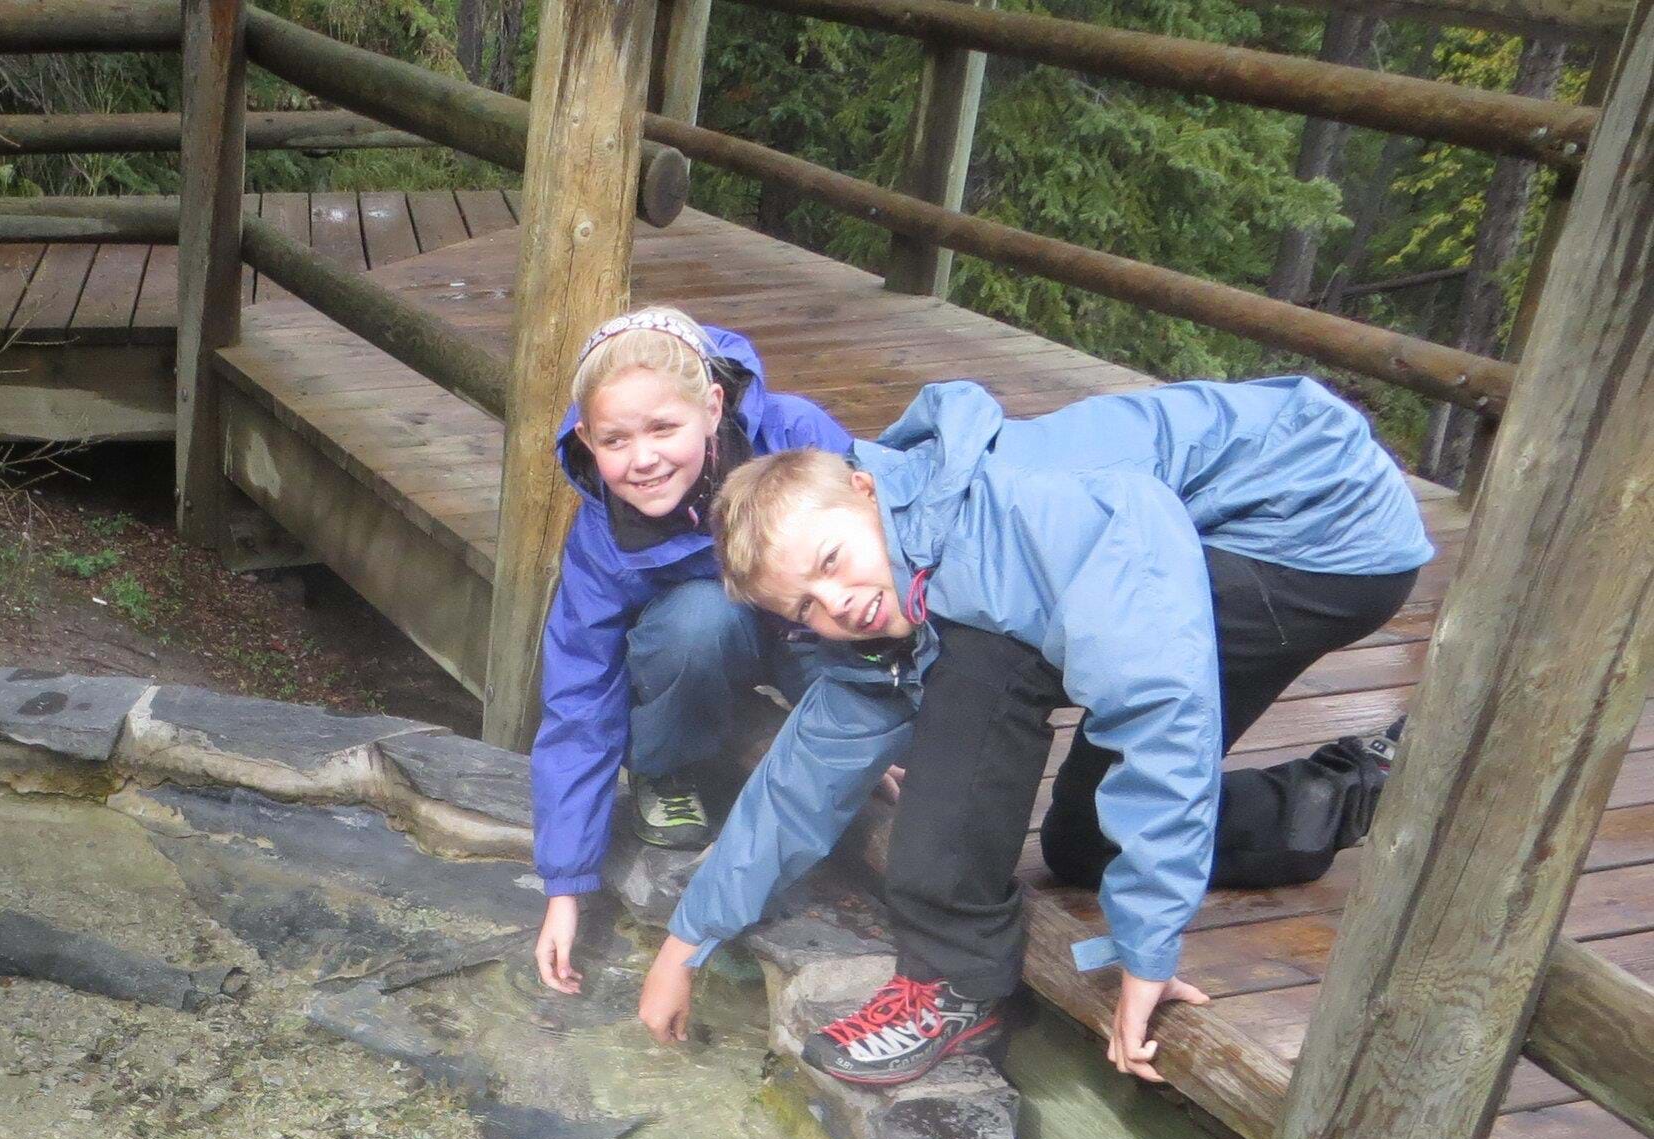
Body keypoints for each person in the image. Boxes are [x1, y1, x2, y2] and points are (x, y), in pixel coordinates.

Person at [633, 375, 1431, 1087]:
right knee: (1084, 844)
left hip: (1317, 536)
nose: (835, 602)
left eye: (833, 560)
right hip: (1225, 518)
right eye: (804, 607)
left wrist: (1147, 945)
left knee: (981, 654)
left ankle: (953, 980)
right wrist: (688, 939)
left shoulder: (1016, 521)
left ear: (867, 491)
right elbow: (809, 766)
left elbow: (1159, 705)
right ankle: (1363, 783)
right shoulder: (899, 566)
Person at [528, 306, 851, 998]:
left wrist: (877, 712)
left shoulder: (796, 435)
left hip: (808, 626)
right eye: (615, 440)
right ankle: (666, 766)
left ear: (711, 408)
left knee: (838, 619)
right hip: (702, 645)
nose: (643, 458)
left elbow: (880, 570)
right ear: (586, 439)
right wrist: (564, 884)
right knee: (699, 620)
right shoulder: (601, 538)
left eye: (664, 429)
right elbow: (578, 698)